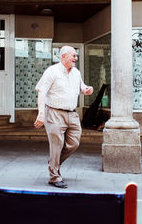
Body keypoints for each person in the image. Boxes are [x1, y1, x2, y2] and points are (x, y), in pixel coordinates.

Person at [34, 45, 93, 188]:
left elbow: (81, 87)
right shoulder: (52, 71)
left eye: (76, 56)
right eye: (73, 55)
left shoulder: (76, 73)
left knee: (74, 143)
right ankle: (54, 176)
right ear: (63, 56)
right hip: (54, 112)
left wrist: (86, 90)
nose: (76, 58)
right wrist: (41, 114)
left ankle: (54, 163)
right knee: (56, 144)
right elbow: (41, 91)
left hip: (72, 114)